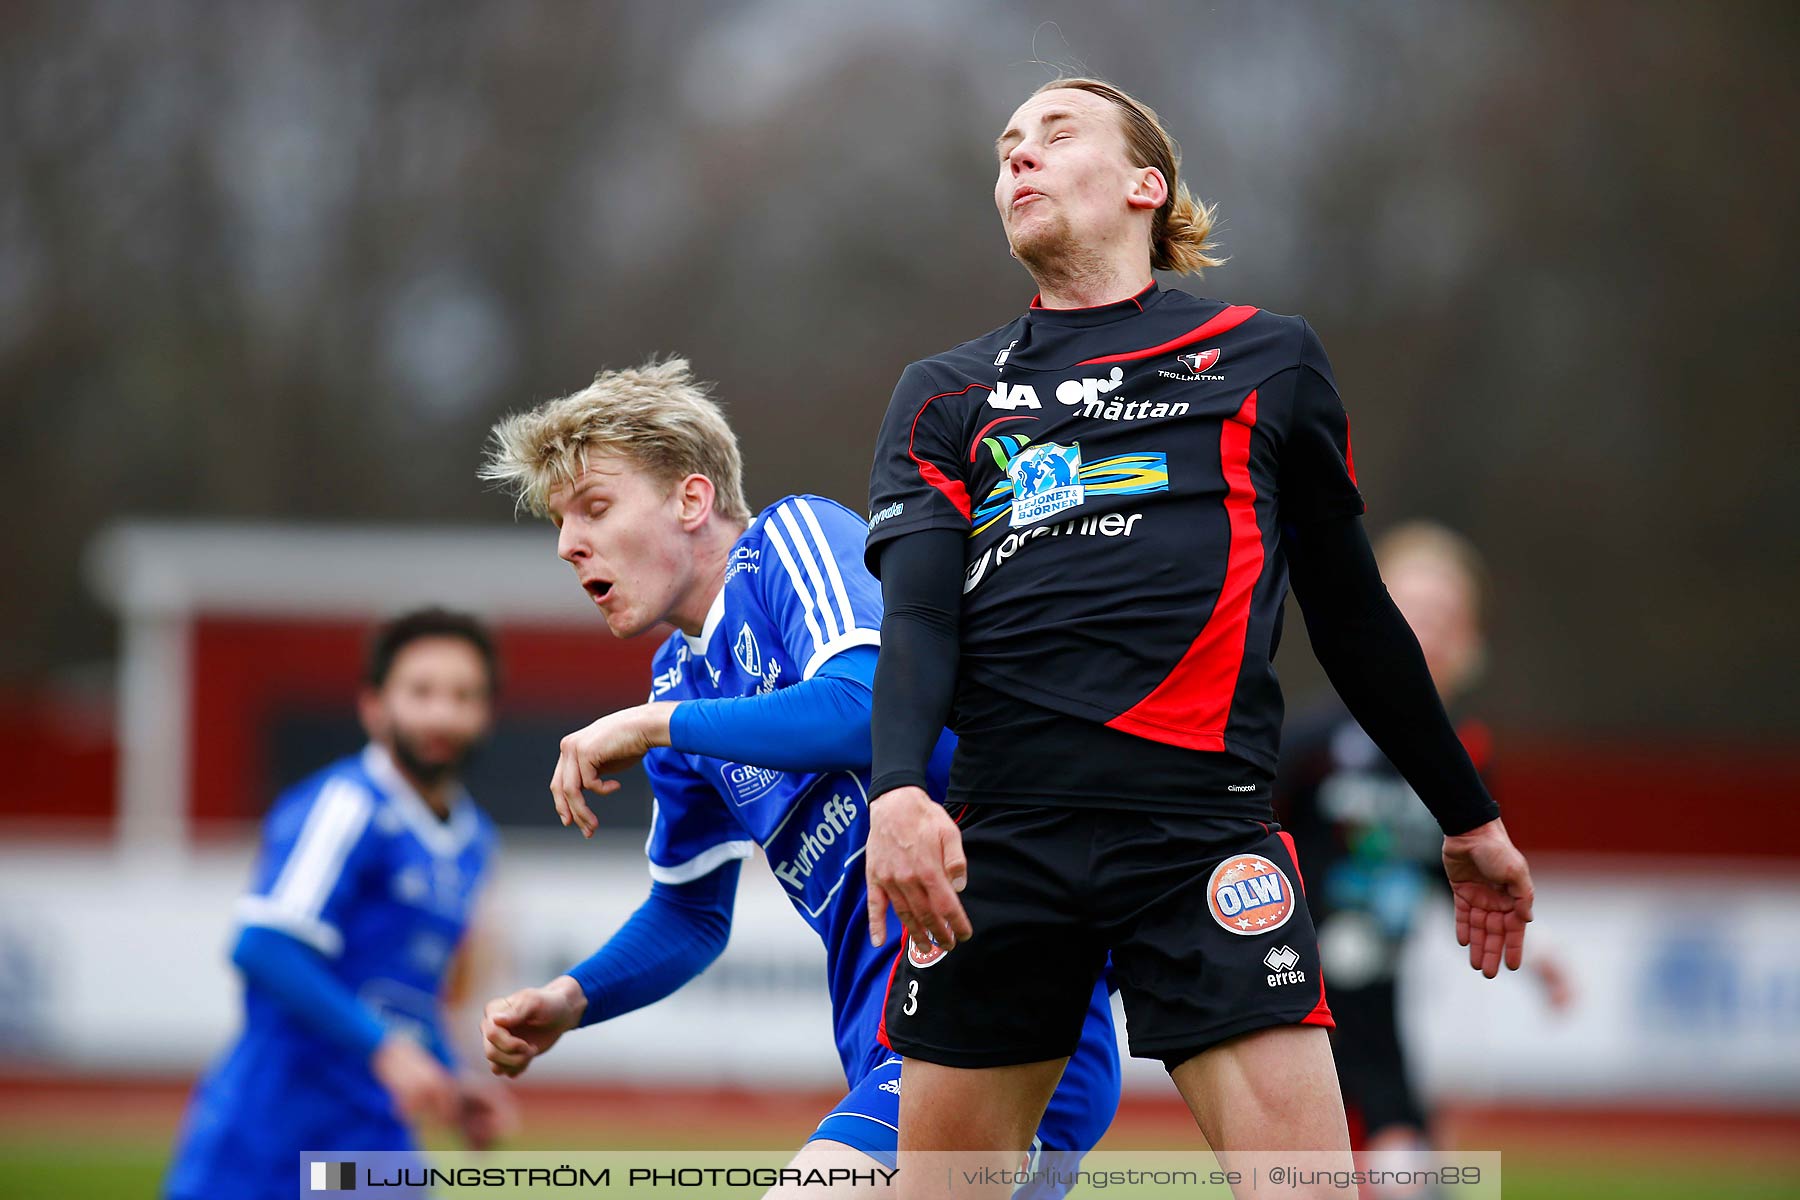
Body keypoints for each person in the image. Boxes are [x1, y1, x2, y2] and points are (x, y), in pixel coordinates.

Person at [861, 76, 1536, 1197]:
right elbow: (920, 615)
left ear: (1145, 185)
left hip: (1201, 835)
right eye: (1006, 147)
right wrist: (897, 790)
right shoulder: (945, 395)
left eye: (1055, 134)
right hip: (1002, 840)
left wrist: (1464, 813)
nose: (1018, 158)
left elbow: (1355, 615)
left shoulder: (1267, 359)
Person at [474, 358, 1118, 1194]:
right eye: (561, 524)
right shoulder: (680, 684)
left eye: (595, 508)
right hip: (889, 1041)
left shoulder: (789, 542)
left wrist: (653, 726)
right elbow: (690, 913)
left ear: (692, 499)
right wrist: (573, 998)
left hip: (996, 999)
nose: (569, 544)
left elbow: (861, 703)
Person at [164, 608, 511, 1200]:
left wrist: (455, 1083)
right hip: (272, 1133)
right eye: (421, 692)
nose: (443, 713)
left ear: (487, 714)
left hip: (374, 1141)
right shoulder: (346, 804)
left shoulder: (473, 840)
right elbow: (264, 945)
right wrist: (386, 1050)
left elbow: (406, 998)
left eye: (464, 696)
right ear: (374, 705)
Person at [1277, 522, 1571, 1159]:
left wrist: (1536, 944)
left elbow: (1460, 867)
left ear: (1470, 639)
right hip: (1299, 987)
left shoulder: (1469, 751)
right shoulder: (1310, 742)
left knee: (1399, 1153)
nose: (1425, 631)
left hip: (1382, 988)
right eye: (1408, 609)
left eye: (1444, 616)